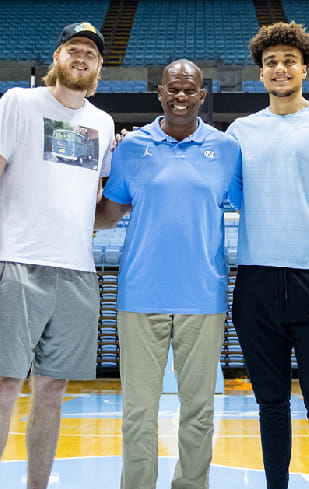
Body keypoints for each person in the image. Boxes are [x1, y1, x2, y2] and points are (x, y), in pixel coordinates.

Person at [0, 22, 114, 489]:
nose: (81, 58)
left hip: (77, 272)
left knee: (52, 391)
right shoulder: (19, 102)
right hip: (18, 264)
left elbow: (96, 214)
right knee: (5, 386)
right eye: (73, 49)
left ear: (99, 66)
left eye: (90, 53)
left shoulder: (103, 123)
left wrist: (135, 179)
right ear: (57, 56)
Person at [94, 59, 242, 489]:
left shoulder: (227, 150)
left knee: (200, 410)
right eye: (172, 89)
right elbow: (107, 213)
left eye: (189, 90)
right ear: (159, 93)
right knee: (138, 410)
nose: (181, 97)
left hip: (204, 296)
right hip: (140, 296)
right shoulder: (131, 148)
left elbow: (253, 205)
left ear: (201, 95)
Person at [226, 22, 309, 489]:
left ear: (304, 67)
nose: (279, 68)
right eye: (270, 62)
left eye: (288, 60)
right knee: (270, 403)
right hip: (256, 284)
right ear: (260, 74)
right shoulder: (240, 131)